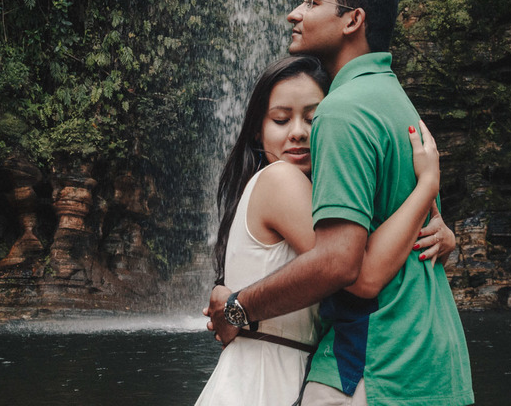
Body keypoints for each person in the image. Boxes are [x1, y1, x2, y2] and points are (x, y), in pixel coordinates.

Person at [208, 0, 474, 405]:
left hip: (375, 363)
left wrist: (237, 307)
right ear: (258, 128)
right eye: (280, 119)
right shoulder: (397, 104)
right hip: (433, 361)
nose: (294, 13)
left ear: (353, 20)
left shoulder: (343, 110)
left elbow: (347, 267)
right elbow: (406, 248)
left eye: (312, 2)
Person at [194, 54, 453, 406]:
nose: (298, 132)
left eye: (313, 119)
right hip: (263, 384)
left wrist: (444, 238)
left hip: (278, 376)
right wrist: (426, 187)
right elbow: (360, 270)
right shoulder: (281, 179)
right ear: (258, 130)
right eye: (281, 119)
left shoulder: (322, 203)